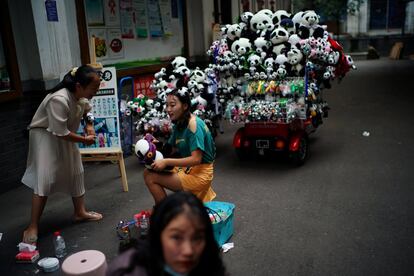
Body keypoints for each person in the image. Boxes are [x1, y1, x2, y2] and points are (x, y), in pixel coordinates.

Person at [21, 65, 103, 244]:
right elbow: (60, 132)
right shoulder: (59, 99)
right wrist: (84, 139)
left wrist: (89, 126)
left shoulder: (80, 95)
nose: (95, 93)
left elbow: (87, 111)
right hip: (44, 134)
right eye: (93, 89)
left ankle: (80, 212)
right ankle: (33, 225)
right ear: (79, 86)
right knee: (46, 176)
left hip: (65, 133)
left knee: (76, 169)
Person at [106, 191, 226, 276]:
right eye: (176, 237)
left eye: (197, 238)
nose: (188, 251)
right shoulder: (129, 269)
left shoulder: (209, 262)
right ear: (158, 235)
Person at [143, 89, 216, 204]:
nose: (168, 109)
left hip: (200, 174)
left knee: (150, 177)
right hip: (188, 170)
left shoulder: (193, 124)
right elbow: (170, 149)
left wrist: (166, 162)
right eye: (167, 105)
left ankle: (164, 214)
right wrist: (153, 144)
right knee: (148, 172)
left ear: (185, 106)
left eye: (172, 105)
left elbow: (196, 159)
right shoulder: (179, 123)